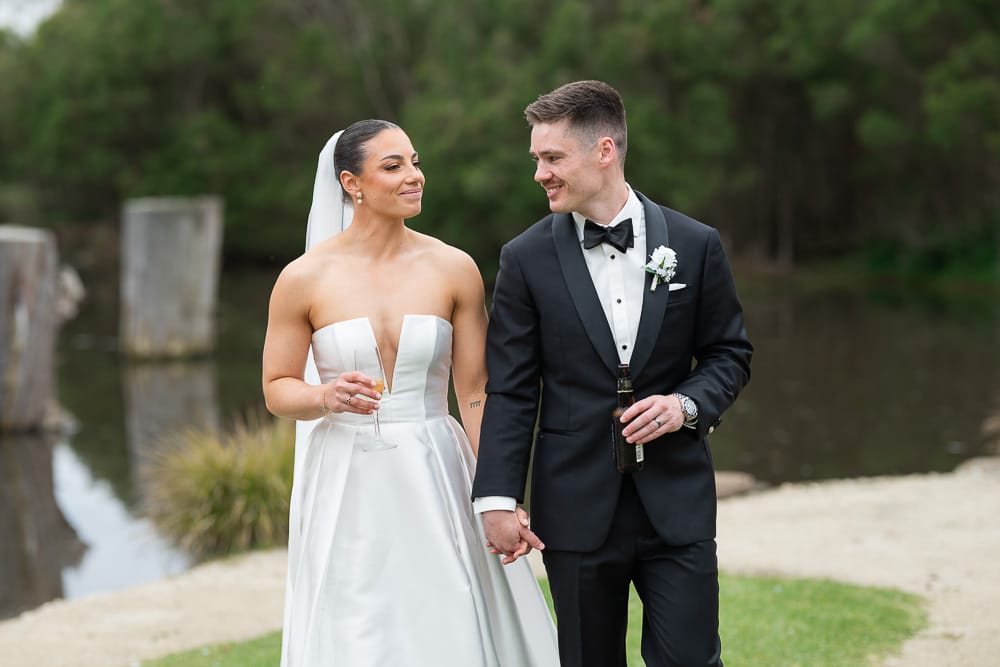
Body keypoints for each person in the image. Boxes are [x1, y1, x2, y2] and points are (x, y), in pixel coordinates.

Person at [472, 81, 753, 666]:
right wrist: (498, 496)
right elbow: (513, 390)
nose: (540, 174)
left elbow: (729, 353)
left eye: (552, 158)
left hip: (676, 500)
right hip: (573, 506)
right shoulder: (524, 259)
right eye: (537, 160)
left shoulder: (696, 245)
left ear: (604, 151)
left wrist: (686, 405)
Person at [262, 119, 559, 666]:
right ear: (351, 184)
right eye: (393, 166)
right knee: (357, 618)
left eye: (415, 163)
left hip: (435, 464)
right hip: (346, 473)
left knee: (448, 605)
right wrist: (325, 396)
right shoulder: (303, 278)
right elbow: (278, 390)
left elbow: (475, 392)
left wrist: (499, 493)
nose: (414, 177)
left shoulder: (453, 268)